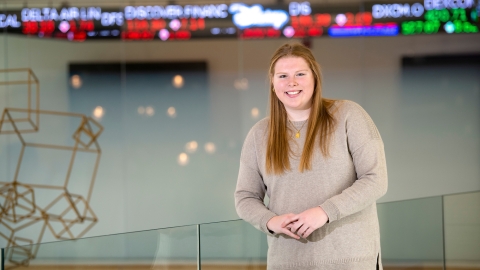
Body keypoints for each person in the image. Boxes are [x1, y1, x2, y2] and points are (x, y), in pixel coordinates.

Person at [234, 42, 388, 270]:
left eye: (300, 74)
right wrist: (271, 221)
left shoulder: (348, 115)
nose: (291, 82)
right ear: (273, 84)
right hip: (288, 262)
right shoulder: (259, 134)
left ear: (315, 78)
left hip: (350, 261)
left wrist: (324, 212)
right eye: (283, 76)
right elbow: (245, 197)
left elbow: (376, 180)